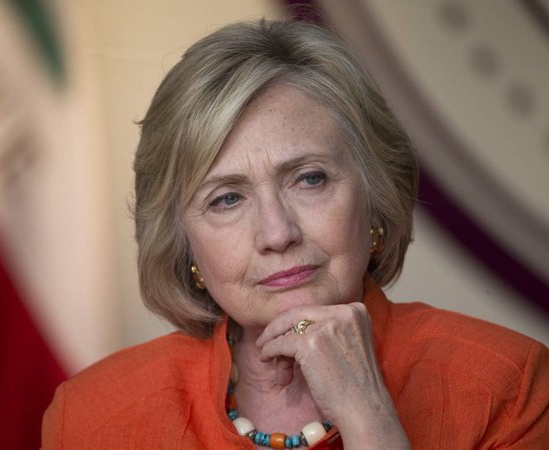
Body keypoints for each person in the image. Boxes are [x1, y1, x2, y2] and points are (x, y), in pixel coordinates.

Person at [41, 19, 549, 449]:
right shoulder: (92, 419)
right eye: (227, 199)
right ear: (183, 243)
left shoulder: (505, 386)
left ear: (374, 194)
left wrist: (370, 417)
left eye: (310, 179)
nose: (277, 234)